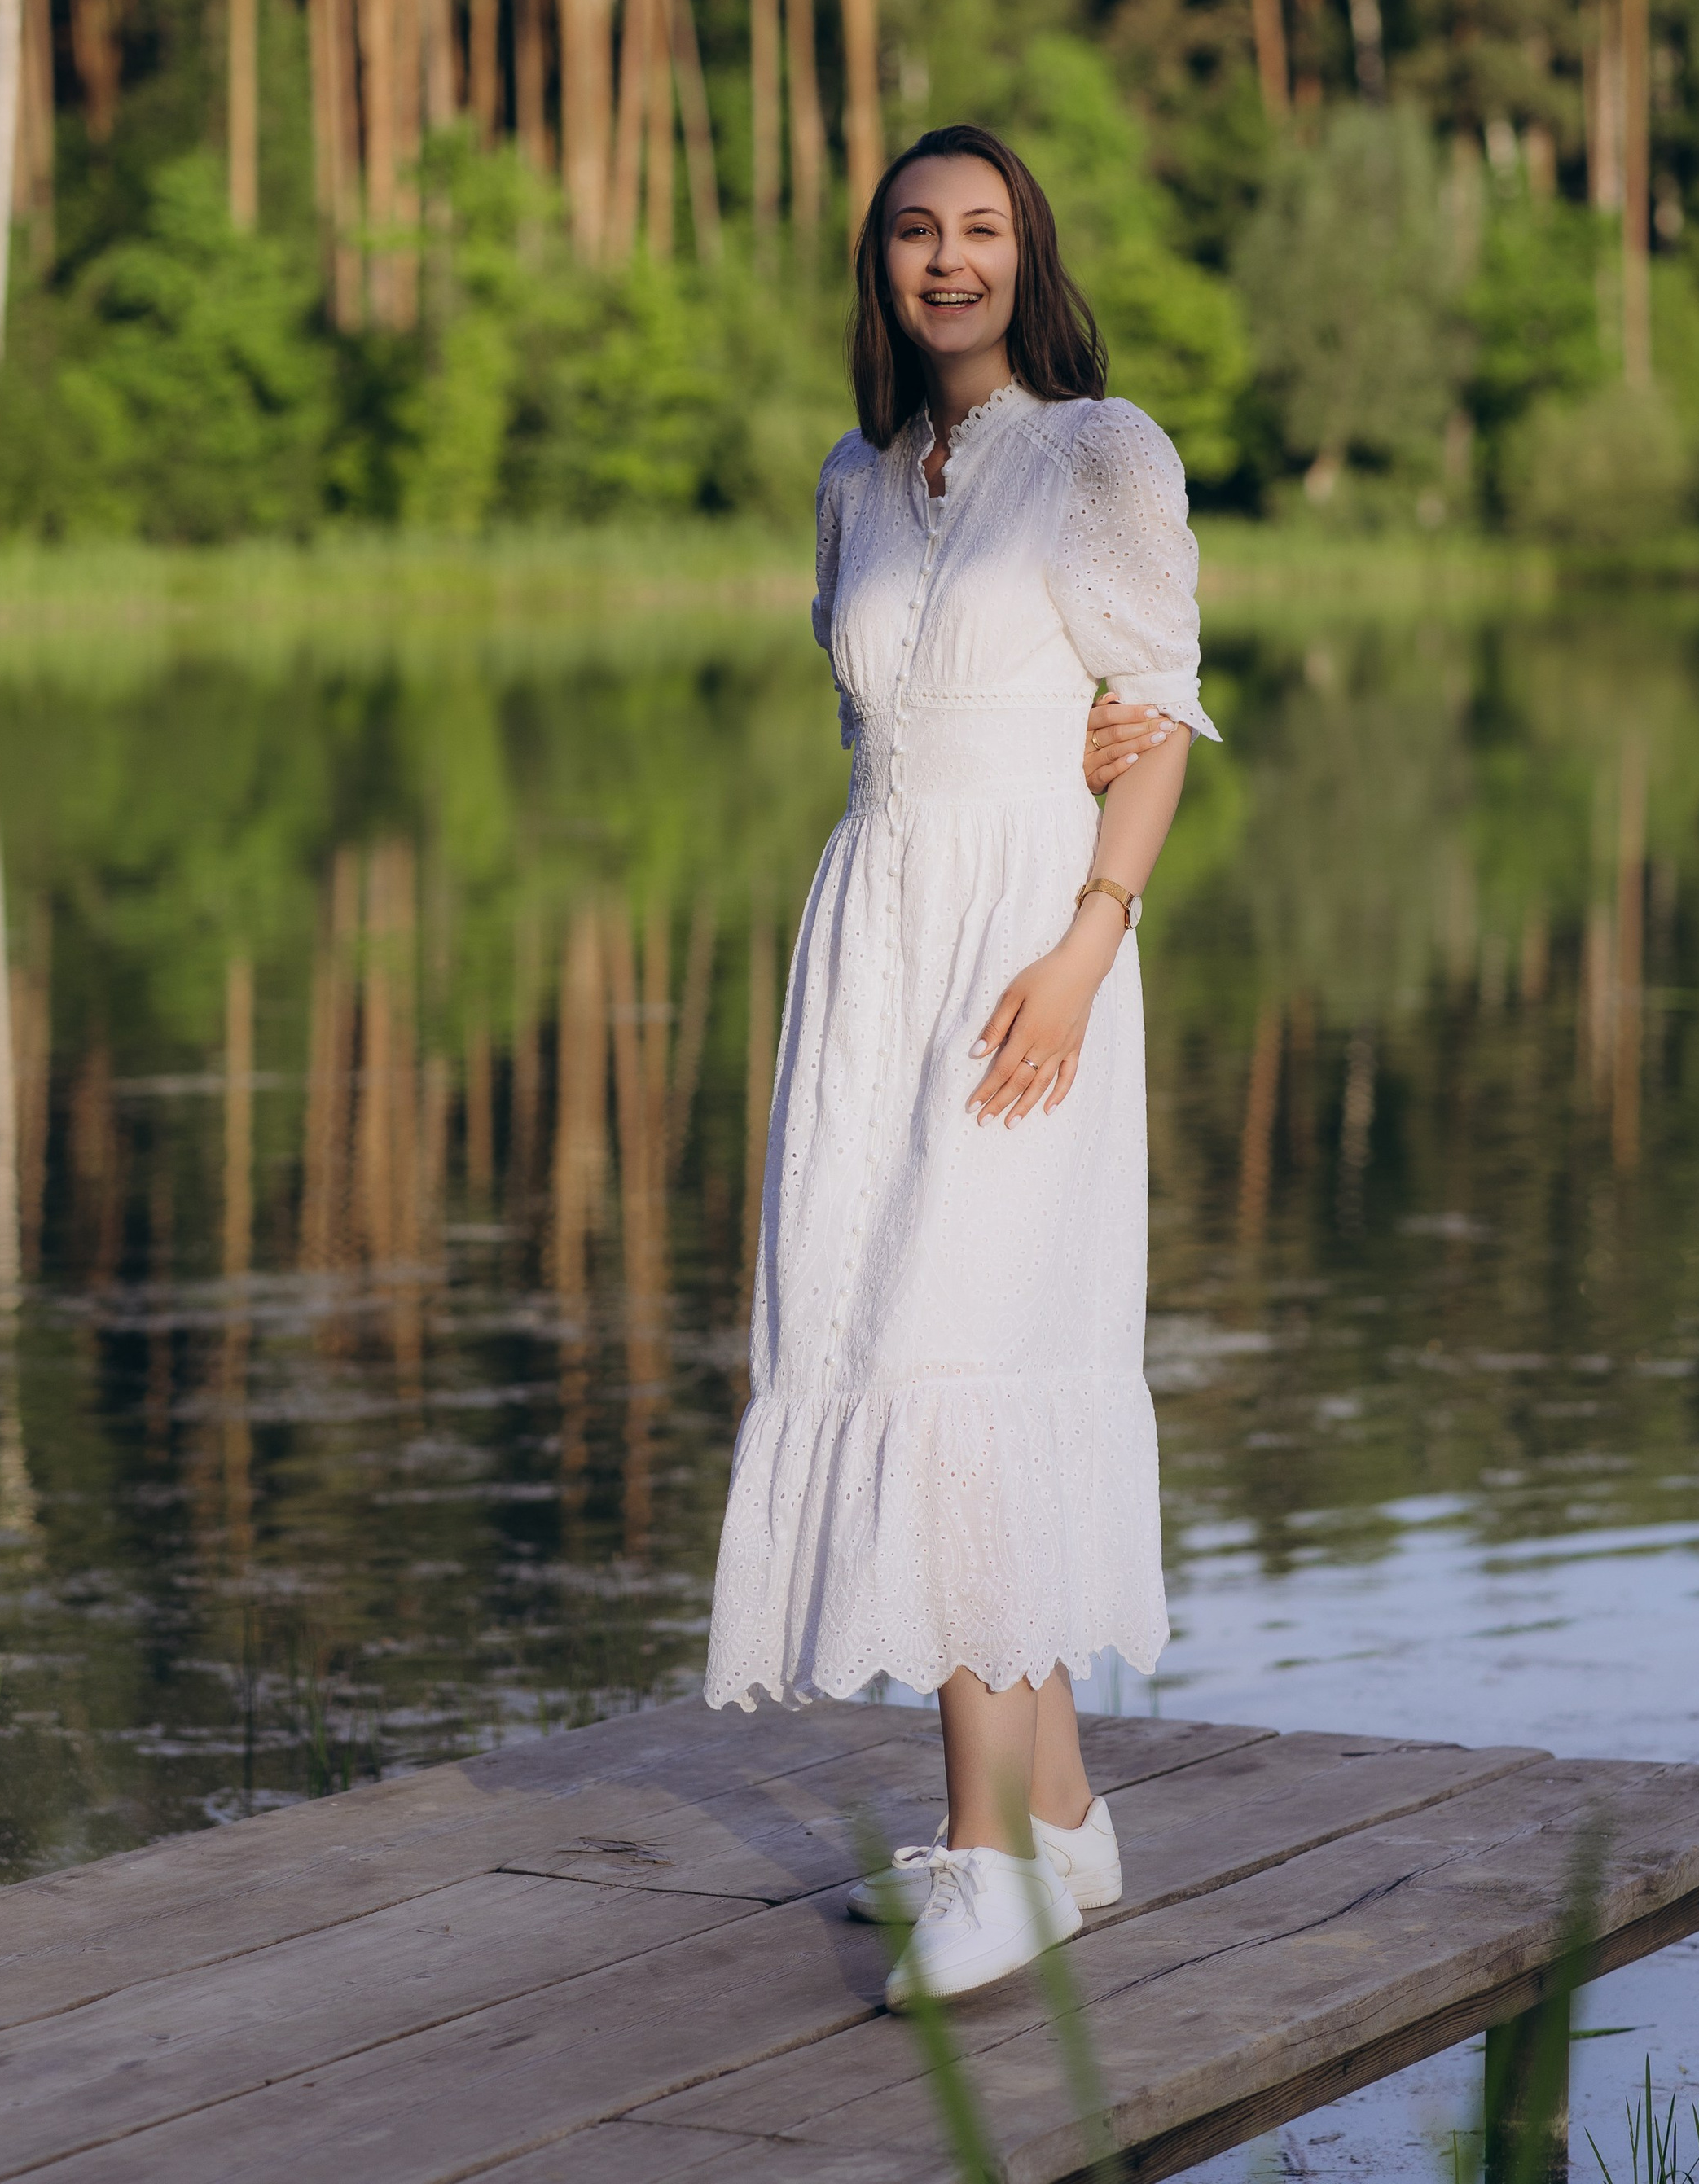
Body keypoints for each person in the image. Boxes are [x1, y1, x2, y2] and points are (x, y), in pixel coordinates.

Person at [703, 124, 1216, 2009]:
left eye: (979, 229)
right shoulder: (852, 478)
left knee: (965, 1347)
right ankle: (1060, 1820)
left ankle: (992, 1860)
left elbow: (1150, 720)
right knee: (885, 1333)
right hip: (872, 950)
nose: (946, 260)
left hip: (1032, 950)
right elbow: (888, 724)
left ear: (1026, 254)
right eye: (914, 232)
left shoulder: (1098, 453)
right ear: (880, 265)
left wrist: (1090, 937)